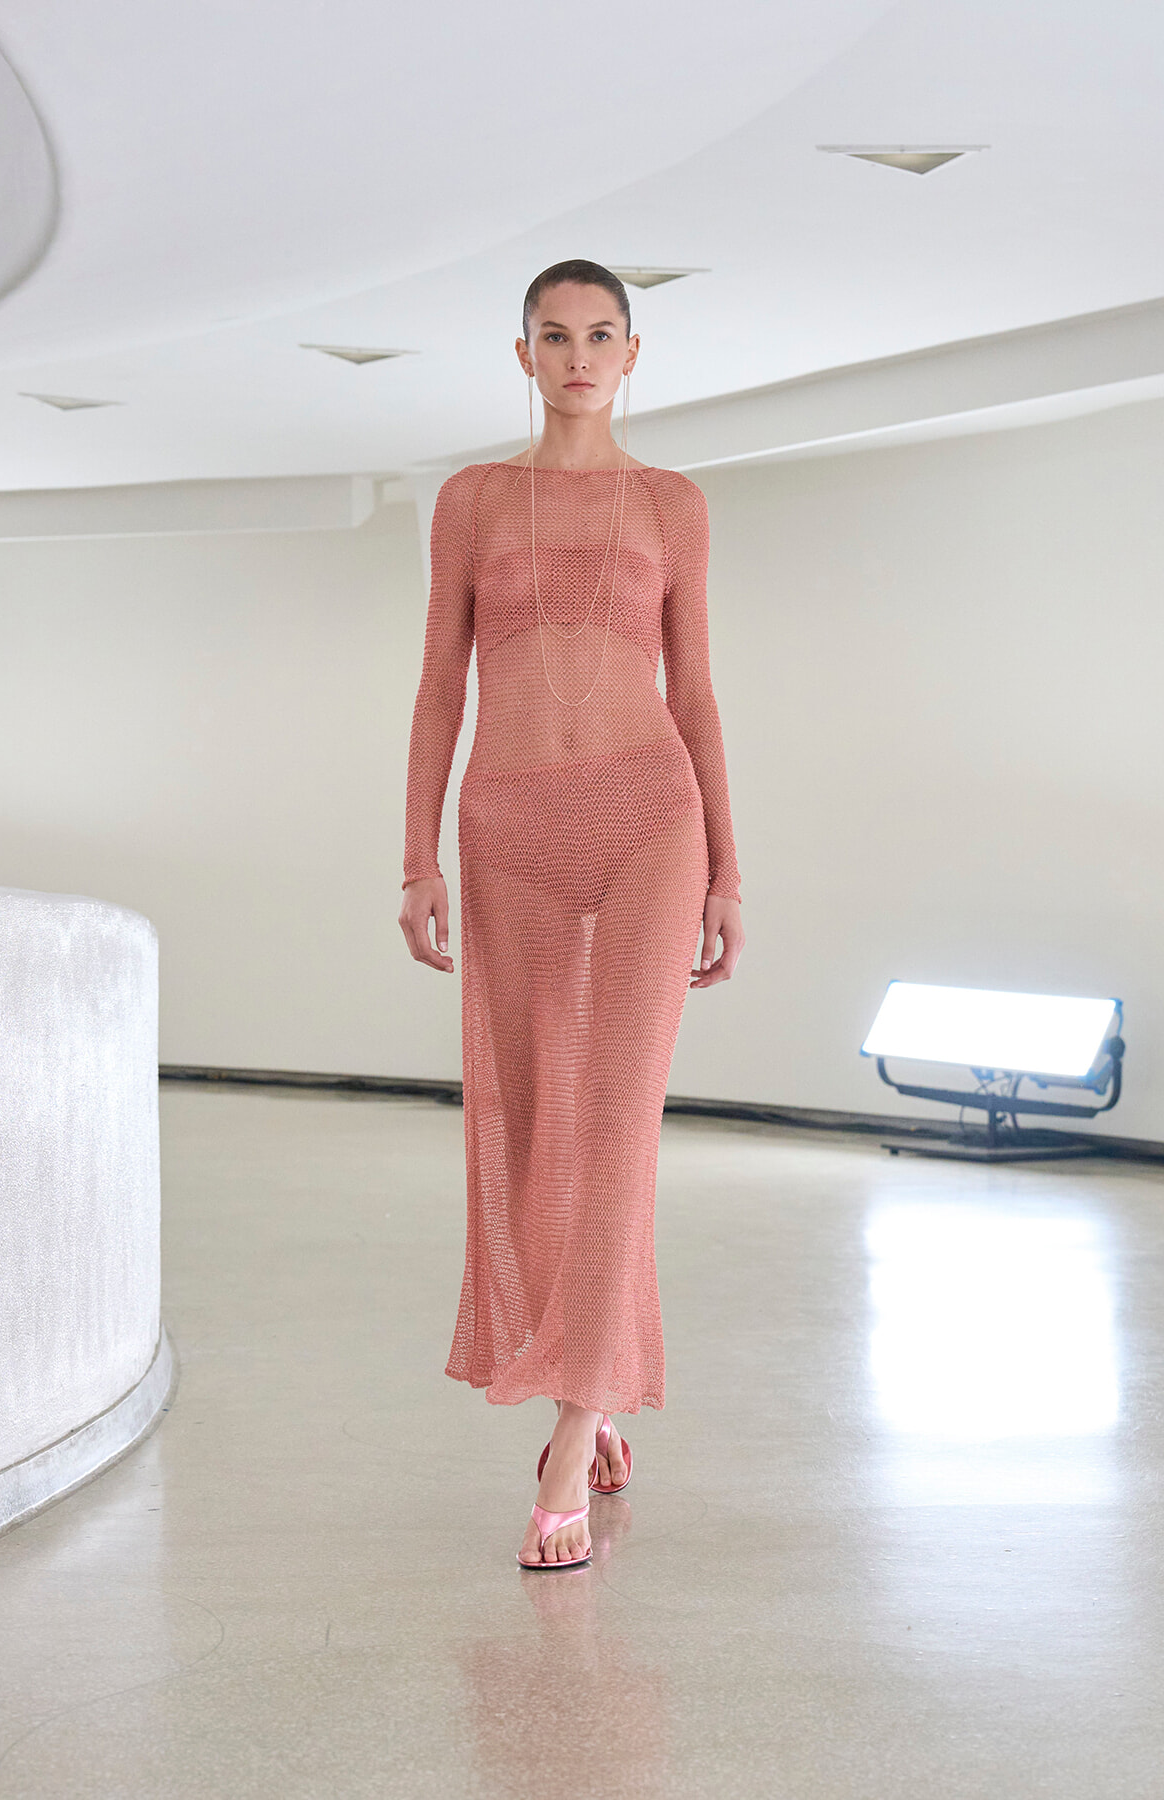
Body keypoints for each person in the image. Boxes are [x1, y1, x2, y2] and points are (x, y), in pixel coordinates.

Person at [399, 259, 744, 1570]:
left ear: (635, 353)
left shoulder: (673, 504)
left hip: (652, 814)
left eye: (602, 335)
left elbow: (697, 692)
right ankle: (583, 1386)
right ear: (524, 354)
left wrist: (728, 870)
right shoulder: (474, 500)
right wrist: (415, 856)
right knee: (534, 1124)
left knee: (619, 1123)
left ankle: (573, 1426)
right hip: (506, 828)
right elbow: (439, 688)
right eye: (556, 335)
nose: (579, 356)